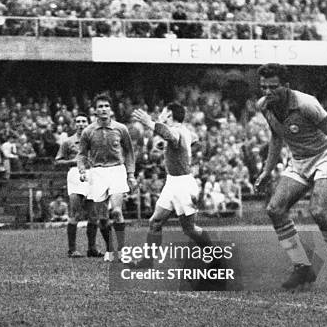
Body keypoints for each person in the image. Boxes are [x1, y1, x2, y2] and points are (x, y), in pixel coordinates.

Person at [254, 63, 327, 291]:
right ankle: (303, 268)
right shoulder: (264, 106)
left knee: (318, 211)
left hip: (324, 158)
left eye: (273, 87)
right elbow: (276, 139)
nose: (268, 92)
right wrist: (266, 171)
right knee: (274, 209)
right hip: (299, 161)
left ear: (286, 86)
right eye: (264, 87)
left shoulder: (306, 104)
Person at [131, 103, 213, 267]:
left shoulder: (176, 130)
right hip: (172, 182)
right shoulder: (185, 130)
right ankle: (148, 261)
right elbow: (193, 139)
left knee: (189, 229)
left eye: (163, 112)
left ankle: (215, 257)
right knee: (155, 222)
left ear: (169, 115)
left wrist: (150, 123)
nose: (160, 114)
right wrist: (169, 145)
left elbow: (172, 136)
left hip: (182, 183)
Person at [77, 93, 136, 262]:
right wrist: (82, 170)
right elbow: (81, 154)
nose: (103, 109)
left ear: (111, 110)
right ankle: (110, 249)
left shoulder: (121, 129)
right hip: (97, 173)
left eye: (106, 106)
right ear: (95, 110)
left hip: (117, 170)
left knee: (117, 212)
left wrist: (131, 175)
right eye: (100, 106)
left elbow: (130, 152)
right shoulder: (88, 131)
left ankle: (123, 251)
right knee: (102, 219)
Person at [54, 113, 103, 258]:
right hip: (76, 174)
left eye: (84, 121)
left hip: (92, 174)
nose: (81, 124)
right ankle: (72, 249)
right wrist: (74, 161)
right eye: (78, 122)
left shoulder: (95, 141)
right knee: (75, 212)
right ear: (74, 125)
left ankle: (92, 249)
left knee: (94, 214)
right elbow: (57, 161)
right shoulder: (68, 142)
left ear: (88, 123)